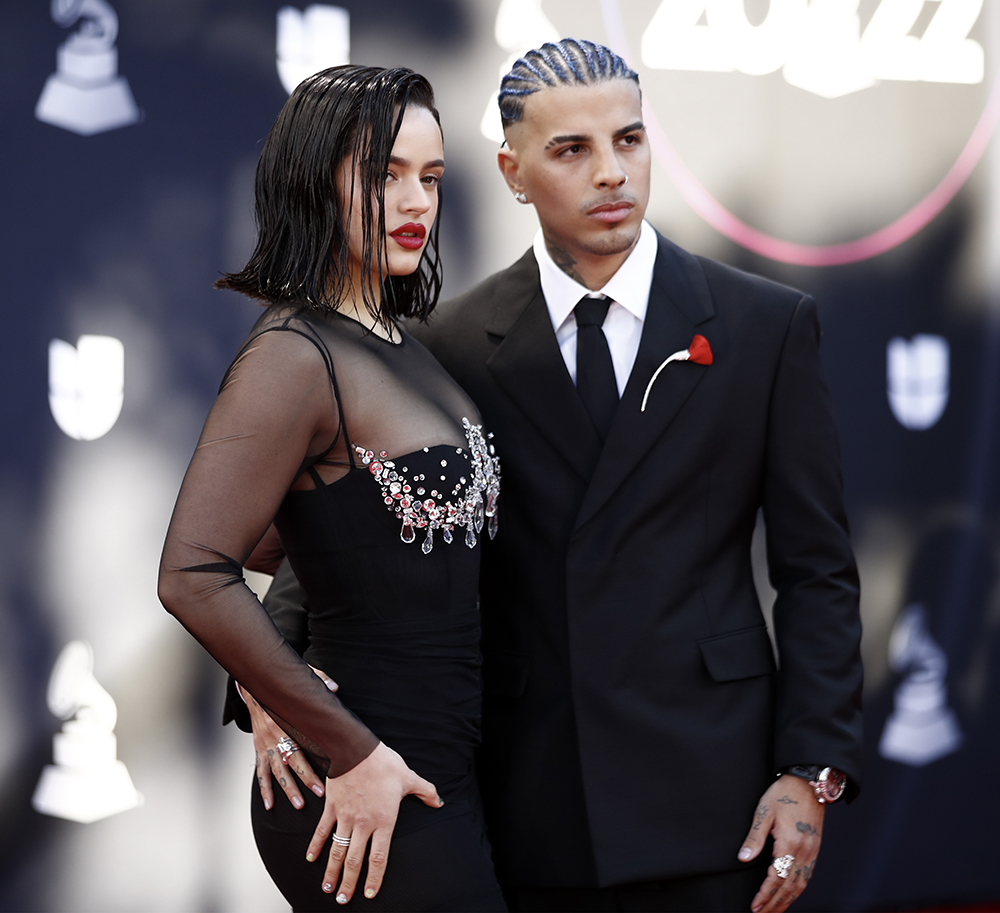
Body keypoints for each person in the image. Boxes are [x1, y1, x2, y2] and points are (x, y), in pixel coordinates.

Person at [243, 39, 864, 913]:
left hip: (716, 792)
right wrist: (271, 683)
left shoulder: (766, 326)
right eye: (572, 150)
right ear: (513, 171)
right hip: (526, 792)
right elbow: (342, 537)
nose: (611, 172)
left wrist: (812, 767)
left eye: (631, 140)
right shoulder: (447, 345)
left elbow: (818, 571)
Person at [159, 64, 505, 912]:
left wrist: (274, 682)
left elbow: (313, 533)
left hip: (437, 764)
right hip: (365, 784)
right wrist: (339, 741)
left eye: (430, 176)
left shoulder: (398, 344)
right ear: (314, 185)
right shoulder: (294, 354)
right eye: (383, 175)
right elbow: (193, 571)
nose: (416, 201)